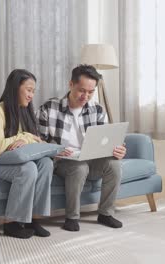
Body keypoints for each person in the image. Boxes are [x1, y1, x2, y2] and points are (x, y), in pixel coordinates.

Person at [36, 64, 126, 232]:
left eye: (91, 92)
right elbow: (37, 141)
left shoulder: (97, 110)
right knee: (79, 166)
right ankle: (71, 217)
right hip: (62, 161)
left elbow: (106, 140)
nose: (86, 96)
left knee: (114, 164)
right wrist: (55, 150)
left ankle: (105, 213)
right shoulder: (49, 108)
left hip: (91, 158)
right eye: (82, 90)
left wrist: (118, 149)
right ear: (71, 84)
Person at [0, 69, 53, 239]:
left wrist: (26, 140)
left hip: (11, 161)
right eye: (28, 90)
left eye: (33, 91)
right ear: (15, 88)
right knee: (28, 169)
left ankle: (34, 219)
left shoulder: (25, 112)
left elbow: (36, 141)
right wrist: (24, 137)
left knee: (46, 164)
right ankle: (11, 222)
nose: (31, 95)